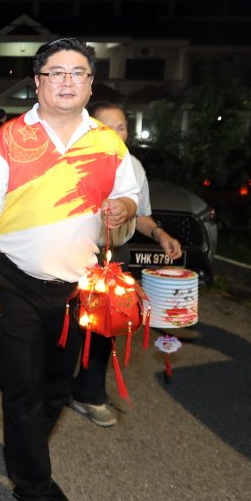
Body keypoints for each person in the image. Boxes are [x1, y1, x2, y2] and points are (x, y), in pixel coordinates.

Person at [0, 38, 139, 501]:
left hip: (78, 291)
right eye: (56, 72)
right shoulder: (9, 139)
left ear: (90, 83)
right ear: (37, 82)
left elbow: (128, 195)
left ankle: (28, 460)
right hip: (14, 281)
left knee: (59, 390)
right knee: (21, 390)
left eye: (77, 72)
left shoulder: (108, 143)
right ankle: (32, 494)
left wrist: (125, 209)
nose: (67, 80)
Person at [68, 101, 182, 427]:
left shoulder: (134, 167)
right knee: (67, 327)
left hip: (116, 259)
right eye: (106, 127)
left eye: (120, 127)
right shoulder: (74, 164)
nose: (115, 134)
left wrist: (160, 234)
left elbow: (141, 215)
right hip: (76, 257)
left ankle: (88, 393)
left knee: (108, 326)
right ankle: (52, 386)